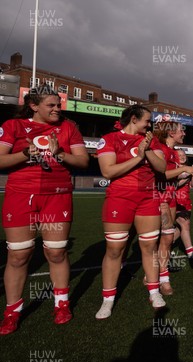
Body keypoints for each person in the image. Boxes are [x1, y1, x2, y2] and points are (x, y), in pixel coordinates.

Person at [0, 85, 89, 335]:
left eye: (58, 104)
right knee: (18, 255)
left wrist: (59, 152)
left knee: (57, 253)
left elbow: (83, 161)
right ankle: (12, 312)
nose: (56, 109)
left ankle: (61, 304)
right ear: (34, 106)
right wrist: (25, 153)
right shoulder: (13, 126)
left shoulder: (68, 128)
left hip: (57, 196)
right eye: (51, 105)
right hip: (21, 196)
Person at [94, 105, 167, 319]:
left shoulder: (151, 140)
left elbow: (161, 168)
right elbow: (108, 171)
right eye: (147, 121)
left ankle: (154, 291)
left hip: (147, 198)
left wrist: (148, 150)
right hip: (120, 198)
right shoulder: (110, 139)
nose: (149, 125)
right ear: (134, 119)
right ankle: (108, 299)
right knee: (115, 248)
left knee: (149, 245)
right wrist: (138, 157)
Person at [153, 122, 193, 295]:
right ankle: (156, 277)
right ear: (171, 132)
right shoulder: (159, 148)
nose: (184, 133)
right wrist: (186, 169)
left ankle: (162, 277)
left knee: (167, 239)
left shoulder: (175, 153)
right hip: (158, 199)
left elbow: (173, 181)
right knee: (155, 239)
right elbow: (163, 174)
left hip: (171, 198)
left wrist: (191, 172)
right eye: (182, 130)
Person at [173, 149, 193, 259]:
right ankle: (191, 252)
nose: (183, 157)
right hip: (174, 200)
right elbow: (175, 185)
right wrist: (188, 174)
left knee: (179, 229)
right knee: (184, 224)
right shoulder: (173, 168)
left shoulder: (189, 167)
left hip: (186, 201)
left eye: (184, 155)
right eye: (180, 155)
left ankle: (164, 246)